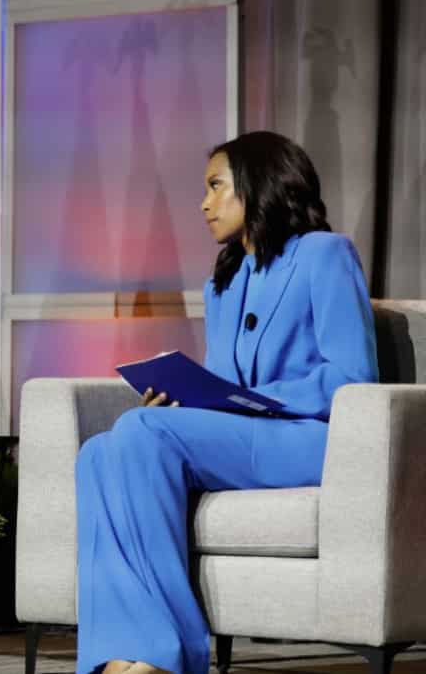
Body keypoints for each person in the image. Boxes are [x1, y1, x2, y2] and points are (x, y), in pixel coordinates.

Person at [75, 131, 377, 674]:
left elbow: (354, 378)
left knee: (142, 434)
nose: (204, 203)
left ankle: (166, 657)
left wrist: (255, 400)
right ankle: (123, 655)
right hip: (247, 437)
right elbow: (222, 380)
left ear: (257, 184)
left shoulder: (325, 255)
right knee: (101, 450)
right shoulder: (224, 281)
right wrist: (184, 396)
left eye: (216, 186)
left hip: (313, 438)